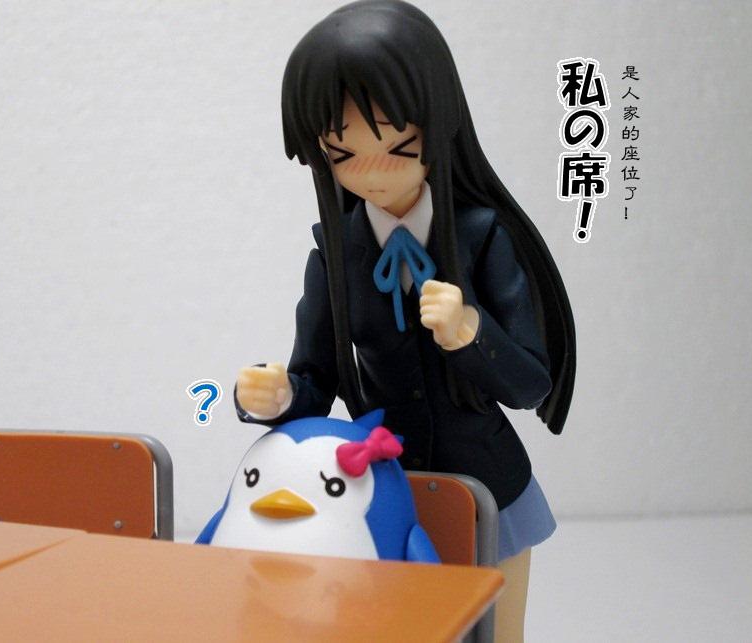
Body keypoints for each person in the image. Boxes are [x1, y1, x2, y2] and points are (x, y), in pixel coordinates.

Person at [234, 2, 575, 640]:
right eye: (343, 152)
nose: (372, 170)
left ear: (439, 127)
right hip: (379, 492)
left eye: (398, 146)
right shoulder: (336, 253)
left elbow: (532, 384)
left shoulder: (482, 238)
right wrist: (276, 397)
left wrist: (472, 333)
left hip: (486, 487)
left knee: (494, 631)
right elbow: (316, 379)